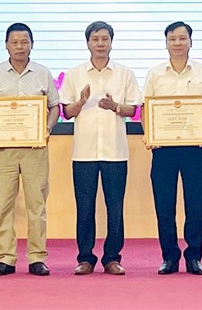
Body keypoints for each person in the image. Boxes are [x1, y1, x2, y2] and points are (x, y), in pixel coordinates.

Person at [60, 21, 141, 276]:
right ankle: (85, 258)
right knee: (85, 208)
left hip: (115, 152)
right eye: (95, 39)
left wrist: (115, 106)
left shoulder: (124, 73)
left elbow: (133, 109)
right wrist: (81, 102)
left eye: (105, 39)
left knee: (115, 207)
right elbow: (66, 112)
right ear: (88, 43)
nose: (100, 44)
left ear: (111, 42)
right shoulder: (75, 74)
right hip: (83, 153)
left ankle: (112, 258)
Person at [141, 21, 202, 275]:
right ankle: (169, 257)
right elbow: (146, 109)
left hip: (194, 148)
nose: (177, 43)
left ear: (190, 41)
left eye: (182, 38)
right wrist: (150, 135)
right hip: (163, 149)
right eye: (172, 39)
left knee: (194, 204)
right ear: (166, 43)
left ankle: (194, 256)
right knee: (164, 205)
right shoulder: (155, 74)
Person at [0, 23, 60, 276]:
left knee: (37, 204)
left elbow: (54, 106)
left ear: (32, 44)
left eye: (24, 42)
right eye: (14, 42)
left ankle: (37, 257)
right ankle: (6, 258)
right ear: (6, 45)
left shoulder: (42, 73)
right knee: (3, 204)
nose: (19, 47)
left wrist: (47, 128)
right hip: (2, 150)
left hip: (35, 148)